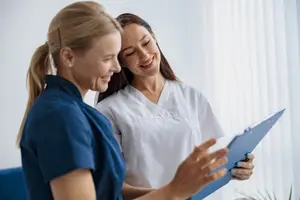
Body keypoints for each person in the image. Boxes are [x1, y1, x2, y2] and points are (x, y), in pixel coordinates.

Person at [17, 2, 229, 200]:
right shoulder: (60, 115)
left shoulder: (80, 113)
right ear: (69, 57)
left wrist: (176, 189)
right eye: (108, 58)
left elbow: (111, 190)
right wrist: (172, 192)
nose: (117, 68)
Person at [95, 13, 255, 198]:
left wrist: (238, 167)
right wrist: (171, 194)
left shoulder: (192, 97)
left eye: (146, 43)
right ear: (121, 61)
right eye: (130, 53)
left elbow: (211, 162)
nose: (144, 55)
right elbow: (111, 185)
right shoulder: (109, 111)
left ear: (154, 37)